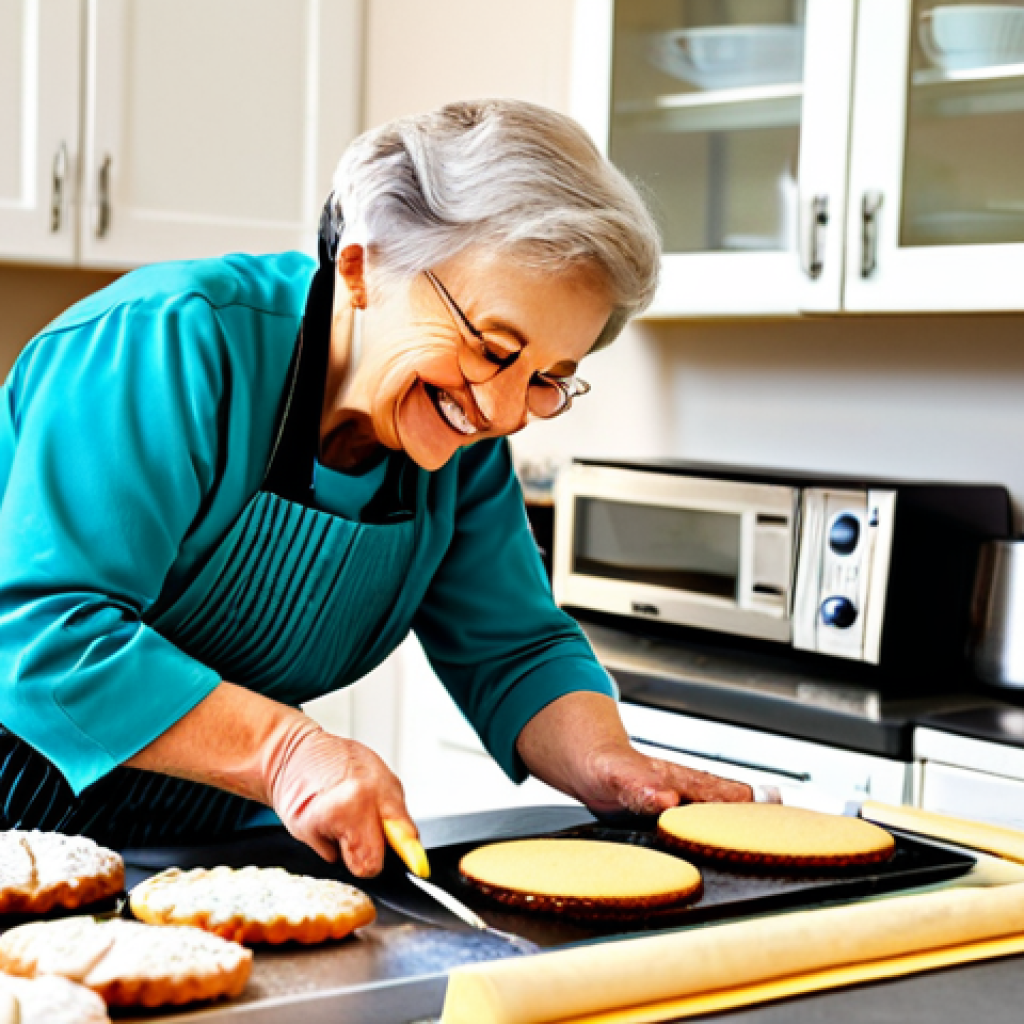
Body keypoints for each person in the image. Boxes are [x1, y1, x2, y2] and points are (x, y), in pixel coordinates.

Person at [0, 99, 751, 876]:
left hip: (198, 837)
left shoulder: (456, 442)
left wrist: (610, 763)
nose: (500, 412)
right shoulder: (170, 341)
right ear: (362, 269)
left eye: (548, 380)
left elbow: (513, 649)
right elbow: (38, 633)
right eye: (493, 347)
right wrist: (287, 751)